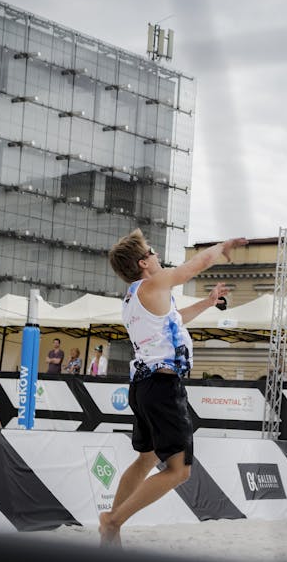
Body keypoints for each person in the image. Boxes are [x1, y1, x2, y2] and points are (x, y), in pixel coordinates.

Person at [98, 229, 247, 546]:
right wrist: (222, 245)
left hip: (143, 386)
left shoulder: (135, 296)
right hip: (163, 386)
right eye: (151, 251)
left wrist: (207, 303)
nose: (156, 255)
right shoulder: (154, 283)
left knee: (146, 459)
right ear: (142, 263)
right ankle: (112, 521)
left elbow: (174, 321)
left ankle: (111, 526)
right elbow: (192, 267)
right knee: (179, 471)